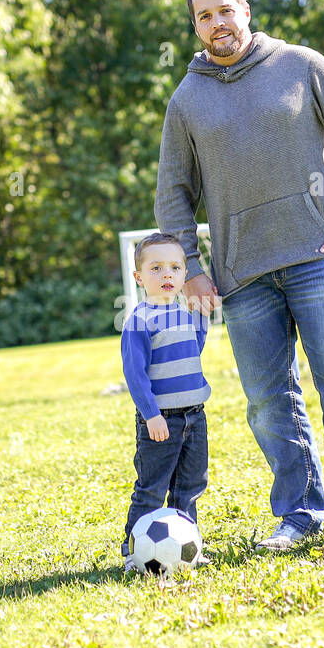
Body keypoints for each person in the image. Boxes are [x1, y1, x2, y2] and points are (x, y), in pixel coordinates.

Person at [154, 0, 324, 550]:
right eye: (203, 16)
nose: (217, 23)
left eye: (224, 10)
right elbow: (173, 191)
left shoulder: (301, 65)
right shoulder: (186, 101)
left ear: (245, 9)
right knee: (269, 403)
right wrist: (190, 267)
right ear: (195, 27)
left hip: (322, 257)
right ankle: (300, 513)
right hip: (241, 276)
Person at [120, 232, 211, 572]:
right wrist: (152, 415)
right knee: (151, 487)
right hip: (161, 420)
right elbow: (136, 374)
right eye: (156, 268)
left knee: (190, 485)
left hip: (194, 416)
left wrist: (202, 315)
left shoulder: (186, 314)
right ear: (139, 277)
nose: (167, 275)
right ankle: (133, 552)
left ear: (184, 274)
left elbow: (192, 351)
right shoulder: (138, 321)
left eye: (175, 267)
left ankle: (187, 546)